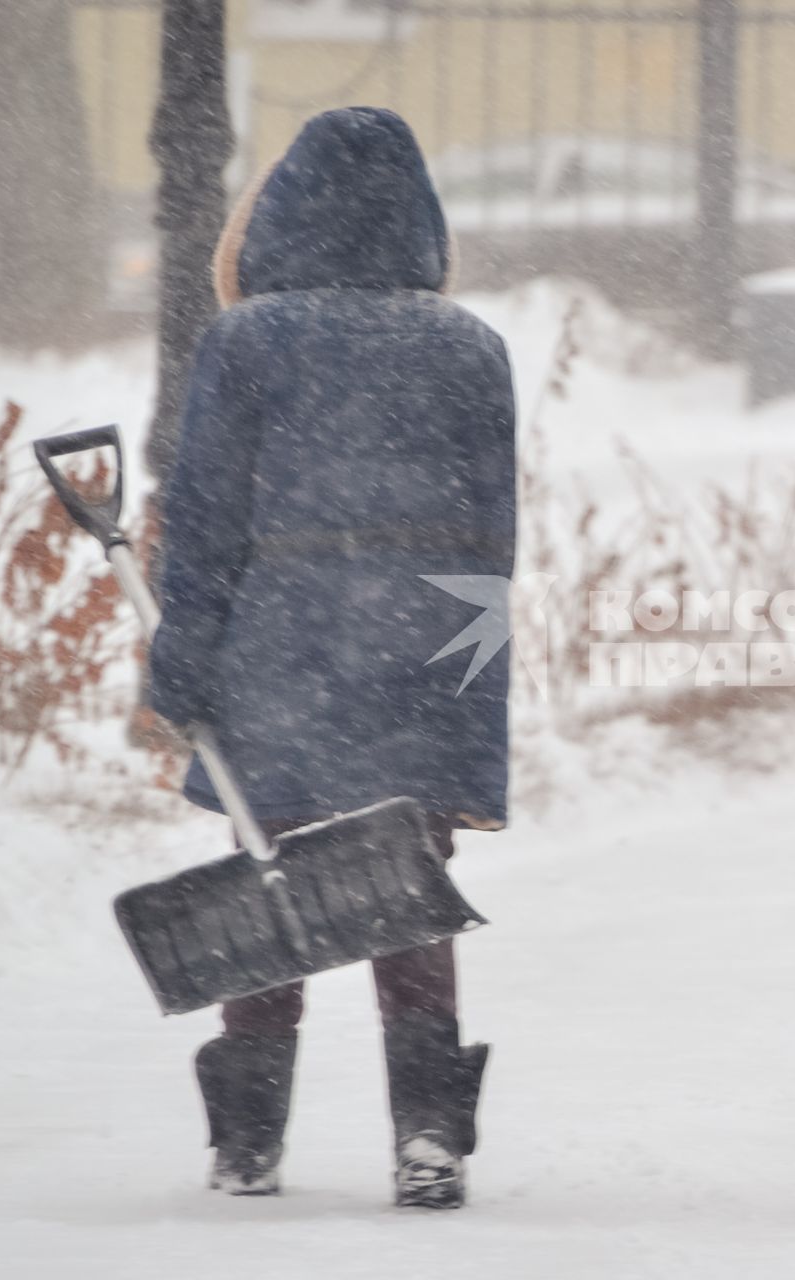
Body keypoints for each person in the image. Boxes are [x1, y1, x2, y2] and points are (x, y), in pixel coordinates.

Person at [145, 107, 516, 1208]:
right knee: (407, 889)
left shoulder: (247, 341)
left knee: (274, 880)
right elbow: (494, 537)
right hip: (423, 647)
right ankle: (430, 1134)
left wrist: (184, 654)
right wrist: (469, 685)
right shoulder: (470, 346)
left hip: (281, 648)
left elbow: (205, 518)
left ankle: (249, 1140)